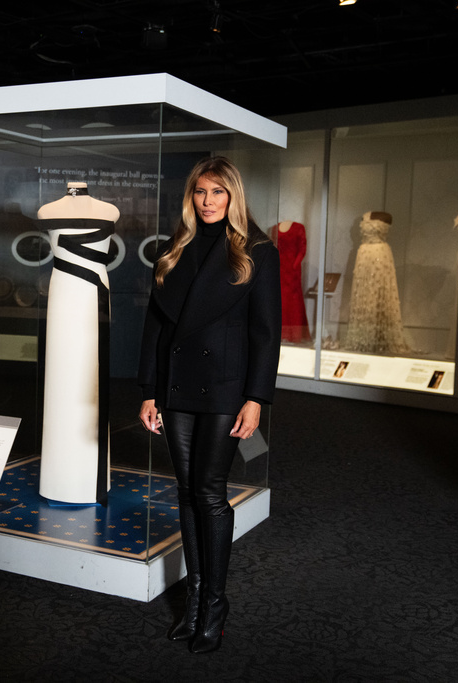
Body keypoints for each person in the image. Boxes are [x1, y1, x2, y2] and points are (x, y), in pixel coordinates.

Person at [138, 156, 281, 653]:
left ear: (233, 196)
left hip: (225, 386)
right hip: (177, 386)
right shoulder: (171, 250)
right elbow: (157, 328)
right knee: (185, 490)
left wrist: (257, 399)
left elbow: (266, 334)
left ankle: (215, 605)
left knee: (210, 492)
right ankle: (194, 601)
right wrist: (150, 390)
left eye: (218, 192)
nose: (207, 201)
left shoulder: (257, 251)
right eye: (200, 192)